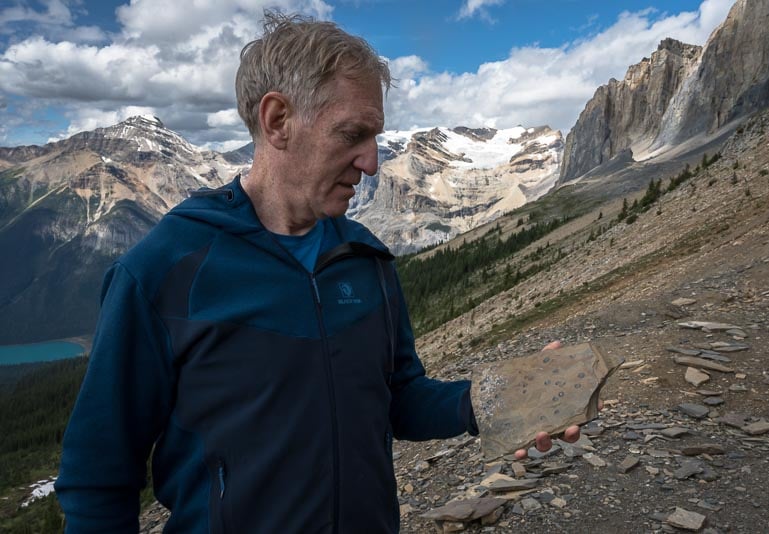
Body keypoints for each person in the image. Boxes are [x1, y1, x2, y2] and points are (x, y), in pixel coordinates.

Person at [55, 12, 581, 533]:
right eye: (352, 134)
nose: (372, 163)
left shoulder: (365, 258)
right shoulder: (164, 270)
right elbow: (98, 475)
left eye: (375, 137)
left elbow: (399, 397)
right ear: (278, 120)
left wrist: (493, 398)